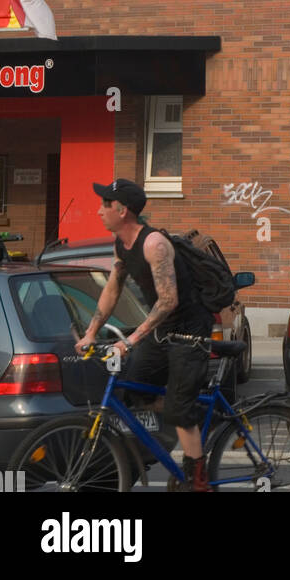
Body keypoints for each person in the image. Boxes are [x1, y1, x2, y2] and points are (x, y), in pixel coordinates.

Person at [74, 177, 214, 492]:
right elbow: (112, 288)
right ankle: (190, 414)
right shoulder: (121, 245)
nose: (99, 211)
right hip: (163, 332)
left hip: (190, 332)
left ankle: (198, 482)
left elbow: (168, 300)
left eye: (104, 205)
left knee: (179, 409)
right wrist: (91, 333)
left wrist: (131, 340)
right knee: (136, 388)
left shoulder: (154, 244)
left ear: (122, 210)